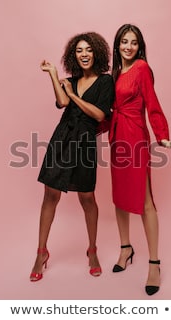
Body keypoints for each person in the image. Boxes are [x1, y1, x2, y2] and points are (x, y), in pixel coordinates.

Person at [29, 32, 114, 281]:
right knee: (50, 195)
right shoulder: (72, 79)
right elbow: (62, 101)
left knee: (87, 198)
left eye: (88, 49)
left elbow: (99, 115)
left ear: (96, 52)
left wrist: (73, 95)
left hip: (85, 142)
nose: (84, 54)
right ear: (73, 55)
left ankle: (92, 250)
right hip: (62, 139)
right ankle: (41, 252)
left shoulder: (105, 81)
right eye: (79, 50)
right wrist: (54, 76)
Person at [109, 24, 171, 295]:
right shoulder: (116, 73)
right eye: (124, 42)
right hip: (117, 138)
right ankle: (125, 248)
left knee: (144, 199)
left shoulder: (141, 68)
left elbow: (152, 102)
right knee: (119, 196)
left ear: (140, 47)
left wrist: (162, 135)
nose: (129, 47)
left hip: (135, 138)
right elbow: (109, 110)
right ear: (117, 45)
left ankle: (154, 263)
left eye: (134, 42)